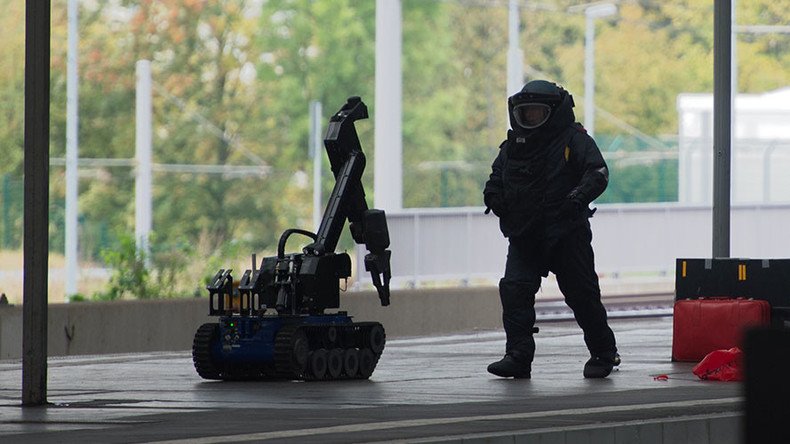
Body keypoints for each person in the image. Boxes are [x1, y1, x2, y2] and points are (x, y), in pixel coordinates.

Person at [483, 79, 619, 379]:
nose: (530, 118)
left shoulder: (574, 140)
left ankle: (603, 352)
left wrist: (576, 199)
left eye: (537, 112)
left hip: (566, 233)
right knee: (515, 292)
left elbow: (598, 172)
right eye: (525, 112)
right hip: (524, 234)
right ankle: (518, 356)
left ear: (553, 113)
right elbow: (496, 176)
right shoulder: (512, 147)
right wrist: (493, 196)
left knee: (582, 295)